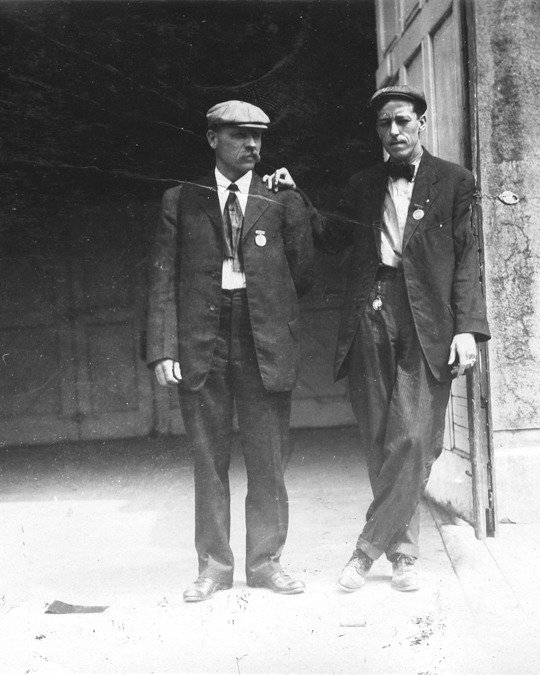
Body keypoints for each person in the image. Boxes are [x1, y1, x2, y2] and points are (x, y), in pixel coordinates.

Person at [314, 84, 490, 592]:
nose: (393, 131)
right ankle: (404, 556)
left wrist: (467, 328)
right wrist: (291, 194)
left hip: (429, 319)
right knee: (379, 438)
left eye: (402, 121)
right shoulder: (362, 184)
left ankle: (365, 552)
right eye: (384, 123)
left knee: (413, 436)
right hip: (372, 310)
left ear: (421, 123)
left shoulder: (455, 181)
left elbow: (468, 259)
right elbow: (329, 239)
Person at [147, 100, 315, 602]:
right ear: (212, 139)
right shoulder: (181, 200)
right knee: (208, 459)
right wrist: (163, 348)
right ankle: (214, 568)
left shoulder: (279, 198)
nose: (252, 145)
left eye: (258, 136)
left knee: (268, 460)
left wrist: (297, 203)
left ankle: (266, 563)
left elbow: (304, 275)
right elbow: (163, 277)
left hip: (264, 338)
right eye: (240, 135)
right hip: (203, 339)